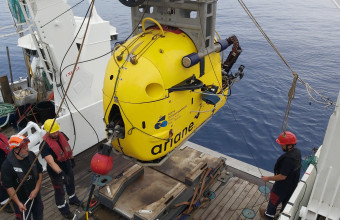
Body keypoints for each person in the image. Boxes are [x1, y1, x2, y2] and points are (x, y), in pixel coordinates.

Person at [40, 119, 80, 219]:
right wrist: (61, 173)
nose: (56, 133)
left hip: (66, 164)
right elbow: (51, 162)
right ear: (47, 132)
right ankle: (64, 209)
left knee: (71, 183)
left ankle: (73, 199)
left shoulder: (61, 135)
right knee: (59, 191)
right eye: (53, 132)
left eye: (57, 131)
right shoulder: (44, 145)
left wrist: (72, 159)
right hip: (55, 171)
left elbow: (67, 148)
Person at [260, 131, 302, 220]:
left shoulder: (288, 160)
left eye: (282, 144)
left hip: (281, 187)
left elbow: (282, 176)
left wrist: (268, 178)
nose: (281, 146)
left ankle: (268, 216)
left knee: (273, 202)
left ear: (289, 146)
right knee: (286, 203)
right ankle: (281, 216)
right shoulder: (297, 153)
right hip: (292, 186)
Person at [1, 134, 43, 220]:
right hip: (21, 200)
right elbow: (9, 187)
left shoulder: (31, 155)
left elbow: (40, 172)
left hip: (35, 194)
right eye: (24, 148)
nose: (27, 149)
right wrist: (18, 203)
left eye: (27, 146)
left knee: (39, 215)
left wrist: (36, 189)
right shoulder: (7, 166)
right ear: (16, 150)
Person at [0, 132, 14, 213]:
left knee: (9, 180)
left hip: (6, 161)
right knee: (2, 185)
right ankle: (4, 203)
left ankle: (12, 196)